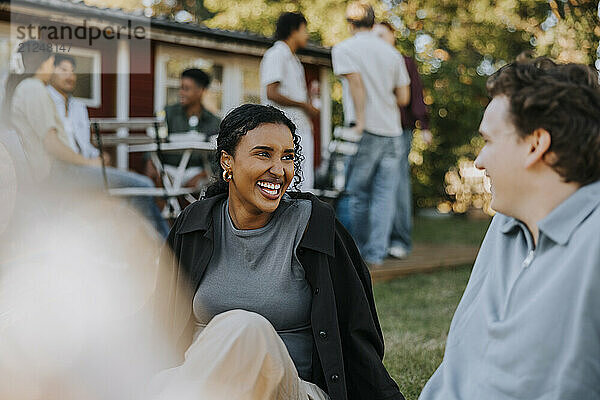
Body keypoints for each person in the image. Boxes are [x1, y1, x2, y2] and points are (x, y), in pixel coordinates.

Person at [156, 104, 405, 400]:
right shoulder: (194, 224)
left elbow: (356, 332)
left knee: (245, 328)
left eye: (288, 157)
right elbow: (158, 319)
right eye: (264, 154)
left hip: (293, 391)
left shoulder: (314, 225)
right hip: (202, 385)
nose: (279, 170)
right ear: (228, 162)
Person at [419, 57, 600, 399]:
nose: (479, 161)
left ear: (535, 145)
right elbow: (460, 361)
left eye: (488, 141)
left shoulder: (593, 244)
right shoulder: (508, 223)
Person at [47, 53, 169, 237]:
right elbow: (54, 145)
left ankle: (164, 245)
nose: (70, 75)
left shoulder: (78, 106)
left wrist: (100, 156)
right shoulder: (45, 101)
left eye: (73, 71)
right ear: (50, 71)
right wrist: (88, 163)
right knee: (142, 185)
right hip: (66, 171)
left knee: (137, 193)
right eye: (63, 70)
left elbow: (85, 145)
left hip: (89, 169)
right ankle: (164, 247)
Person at [331, 2, 411, 267]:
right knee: (384, 195)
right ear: (373, 22)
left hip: (366, 130)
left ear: (349, 23)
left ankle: (356, 256)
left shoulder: (344, 49)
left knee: (356, 193)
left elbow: (355, 84)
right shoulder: (392, 53)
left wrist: (361, 121)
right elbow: (403, 97)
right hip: (392, 132)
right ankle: (376, 255)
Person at [373, 21, 432, 259]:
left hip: (400, 131)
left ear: (393, 35)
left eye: (382, 34)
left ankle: (400, 240)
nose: (377, 38)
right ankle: (380, 241)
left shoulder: (404, 61)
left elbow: (415, 94)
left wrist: (425, 125)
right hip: (375, 131)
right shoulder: (373, 62)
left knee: (397, 185)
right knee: (379, 186)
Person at [260, 12, 320, 191]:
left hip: (298, 128)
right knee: (290, 182)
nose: (307, 35)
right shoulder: (277, 54)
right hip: (284, 130)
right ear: (294, 30)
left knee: (303, 182)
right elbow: (271, 92)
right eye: (304, 30)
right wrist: (304, 105)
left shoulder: (293, 59)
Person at [147, 68, 221, 187]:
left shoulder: (213, 121)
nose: (181, 92)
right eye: (180, 88)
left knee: (208, 186)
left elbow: (217, 154)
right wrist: (151, 164)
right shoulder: (168, 113)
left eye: (186, 89)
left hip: (196, 171)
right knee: (157, 184)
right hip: (168, 169)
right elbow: (154, 140)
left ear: (201, 91)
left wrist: (202, 174)